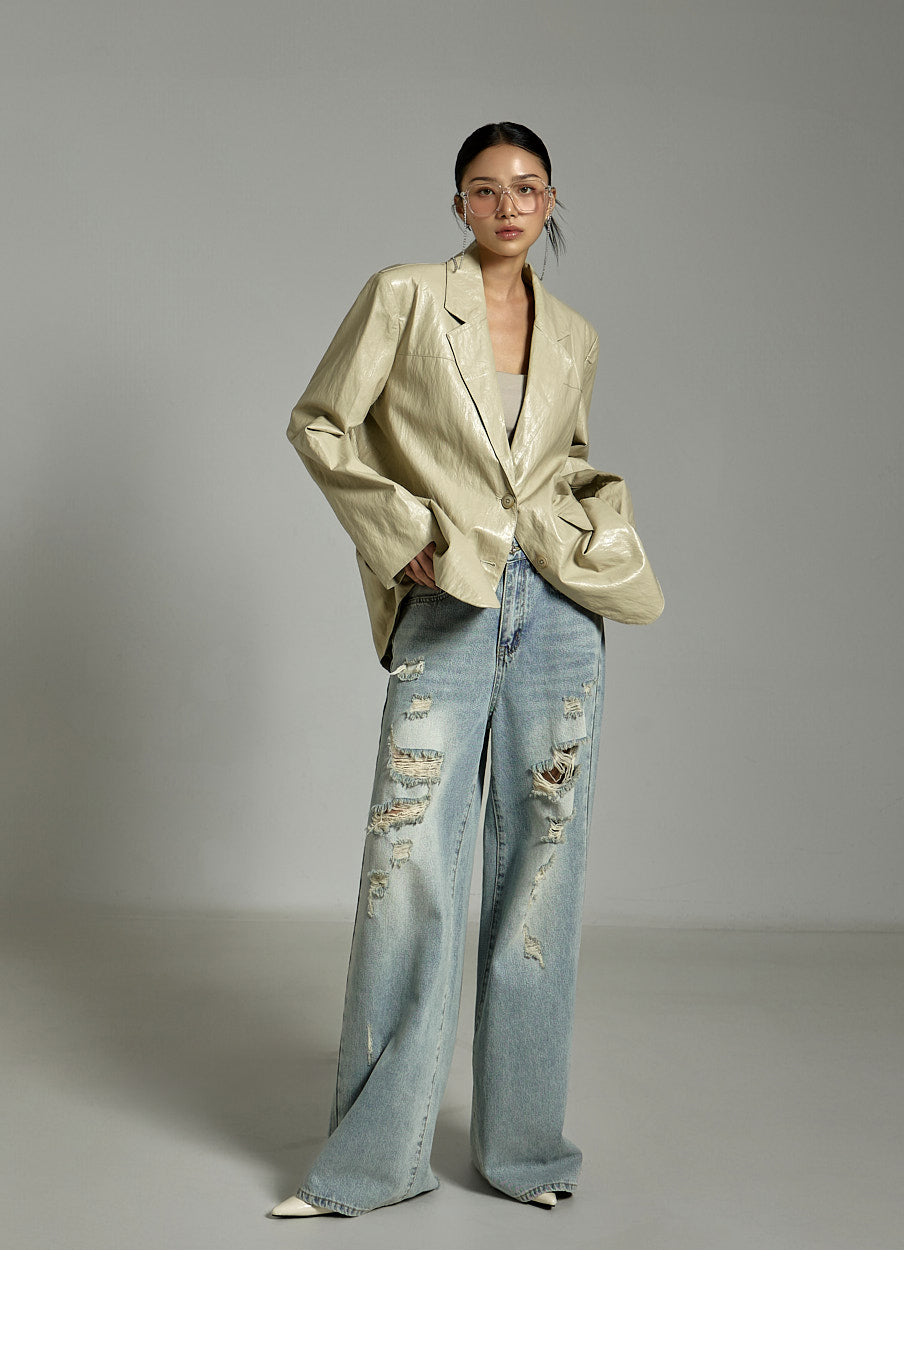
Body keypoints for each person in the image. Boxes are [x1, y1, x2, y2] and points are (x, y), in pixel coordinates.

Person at [271, 122, 663, 1218]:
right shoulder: (403, 296)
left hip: (558, 616)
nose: (506, 206)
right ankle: (371, 1165)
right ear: (458, 205)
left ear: (551, 202)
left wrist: (588, 538)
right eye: (484, 190)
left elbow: (565, 460)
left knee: (543, 870)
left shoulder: (575, 335)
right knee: (409, 870)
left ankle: (527, 1153)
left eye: (527, 188)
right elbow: (319, 424)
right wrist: (402, 534)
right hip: (447, 597)